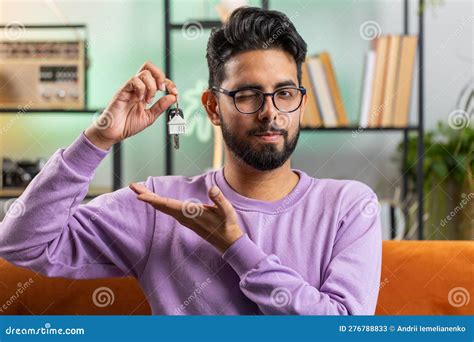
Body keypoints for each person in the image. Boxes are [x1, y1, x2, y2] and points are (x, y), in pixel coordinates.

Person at [0, 7, 381, 315]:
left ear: (301, 102)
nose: (270, 112)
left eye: (283, 93)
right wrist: (97, 138)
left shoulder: (349, 205)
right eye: (248, 95)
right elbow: (22, 243)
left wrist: (235, 246)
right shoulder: (159, 207)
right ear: (213, 108)